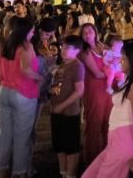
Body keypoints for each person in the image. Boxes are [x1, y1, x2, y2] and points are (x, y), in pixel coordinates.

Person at [81, 41, 133, 178]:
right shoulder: (130, 81)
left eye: (123, 58)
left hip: (124, 141)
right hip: (116, 140)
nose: (120, 60)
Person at [0, 17, 43, 178]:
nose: (33, 33)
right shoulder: (26, 46)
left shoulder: (5, 46)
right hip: (23, 93)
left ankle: (2, 171)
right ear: (25, 31)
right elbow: (26, 70)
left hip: (4, 92)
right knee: (22, 137)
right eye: (32, 31)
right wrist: (40, 77)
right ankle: (19, 172)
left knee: (4, 135)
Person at [49, 35, 85, 178]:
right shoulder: (63, 65)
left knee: (71, 146)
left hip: (69, 112)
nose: (63, 50)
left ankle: (71, 174)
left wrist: (61, 106)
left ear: (77, 50)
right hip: (56, 111)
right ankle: (63, 171)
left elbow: (79, 91)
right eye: (62, 47)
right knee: (59, 145)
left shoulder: (77, 66)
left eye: (68, 48)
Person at [78, 22, 112, 165]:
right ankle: (91, 162)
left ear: (95, 32)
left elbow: (114, 60)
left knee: (108, 124)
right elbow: (97, 73)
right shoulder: (84, 51)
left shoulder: (101, 46)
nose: (87, 35)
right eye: (84, 32)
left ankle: (106, 158)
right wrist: (112, 74)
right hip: (94, 90)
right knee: (94, 125)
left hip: (107, 90)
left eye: (90, 31)